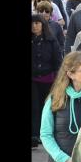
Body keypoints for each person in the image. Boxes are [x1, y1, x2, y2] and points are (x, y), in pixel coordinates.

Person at [33, 14, 64, 148]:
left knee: (47, 107)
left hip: (48, 79)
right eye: (32, 23)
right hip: (33, 79)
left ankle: (46, 133)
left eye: (37, 23)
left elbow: (58, 61)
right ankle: (34, 134)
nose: (34, 26)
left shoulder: (52, 41)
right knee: (34, 107)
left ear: (43, 25)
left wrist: (58, 79)